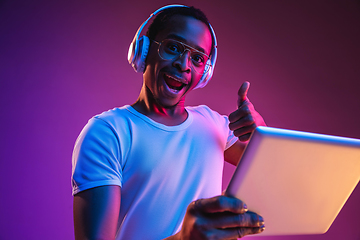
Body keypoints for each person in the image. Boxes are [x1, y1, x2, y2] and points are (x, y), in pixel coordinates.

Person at [72, 5, 266, 240]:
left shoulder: (214, 124)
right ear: (143, 50)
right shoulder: (108, 132)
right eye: (173, 47)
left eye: (197, 58)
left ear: (205, 72)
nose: (184, 64)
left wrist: (261, 132)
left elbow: (274, 173)